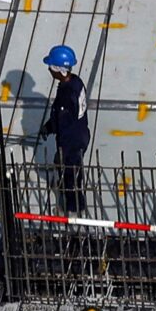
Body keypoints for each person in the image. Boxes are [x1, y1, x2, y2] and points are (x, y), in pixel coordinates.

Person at [38, 45, 91, 213]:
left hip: (71, 141)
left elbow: (63, 122)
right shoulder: (76, 81)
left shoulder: (66, 96)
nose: (48, 69)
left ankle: (73, 208)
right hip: (81, 133)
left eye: (51, 66)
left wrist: (49, 127)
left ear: (58, 70)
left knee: (70, 176)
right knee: (72, 168)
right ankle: (72, 197)